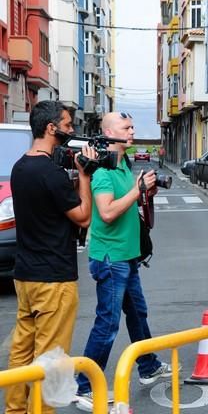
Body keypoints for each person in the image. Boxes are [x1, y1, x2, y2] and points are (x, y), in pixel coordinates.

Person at [75, 112, 173, 411]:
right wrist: (136, 190)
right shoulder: (103, 171)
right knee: (108, 323)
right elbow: (105, 213)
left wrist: (146, 193)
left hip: (126, 257)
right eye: (126, 128)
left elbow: (128, 203)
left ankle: (148, 366)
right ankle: (85, 386)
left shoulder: (122, 164)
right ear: (109, 133)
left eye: (132, 126)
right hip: (111, 259)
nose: (132, 131)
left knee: (138, 313)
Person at [5, 101, 95, 414]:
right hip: (54, 278)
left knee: (22, 349)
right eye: (68, 125)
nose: (72, 131)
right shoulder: (52, 174)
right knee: (50, 357)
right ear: (51, 128)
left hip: (25, 275)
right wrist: (85, 176)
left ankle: (15, 408)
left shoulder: (20, 167)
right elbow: (83, 217)